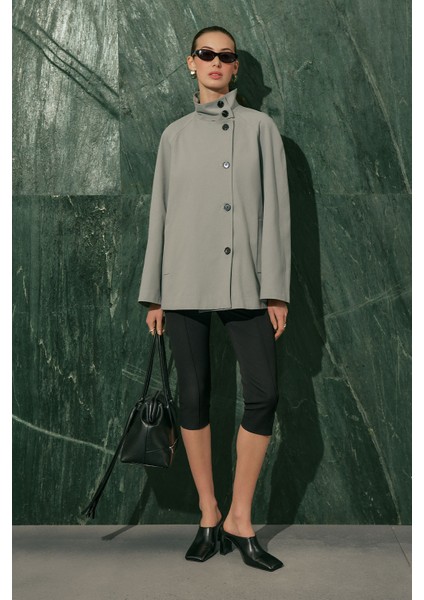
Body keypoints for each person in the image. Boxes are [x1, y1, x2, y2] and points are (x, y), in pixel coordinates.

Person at [138, 25, 290, 572]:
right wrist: (154, 294)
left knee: (264, 394)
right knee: (194, 395)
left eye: (226, 56)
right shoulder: (173, 136)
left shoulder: (260, 129)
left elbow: (277, 211)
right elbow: (160, 214)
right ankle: (208, 512)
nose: (216, 62)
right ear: (191, 62)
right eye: (207, 54)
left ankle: (239, 518)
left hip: (246, 279)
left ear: (236, 67)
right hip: (183, 280)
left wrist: (276, 291)